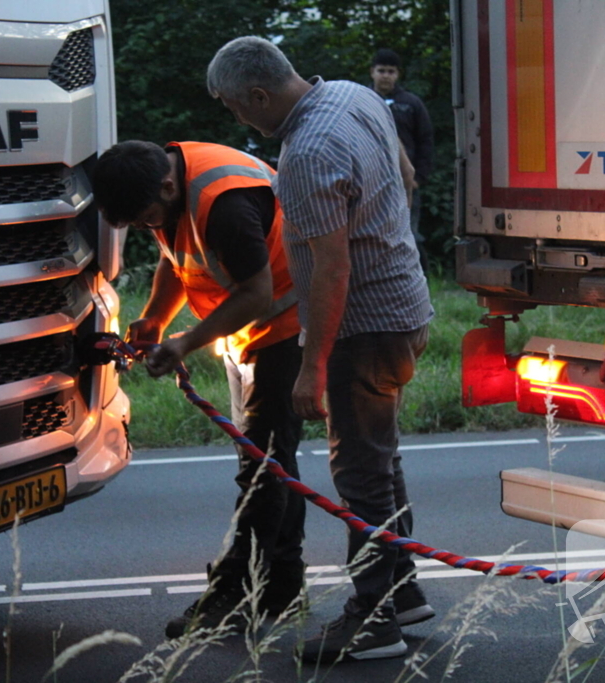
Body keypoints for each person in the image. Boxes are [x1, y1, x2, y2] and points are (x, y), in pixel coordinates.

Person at [207, 37, 436, 663]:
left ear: (258, 95)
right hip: (404, 306)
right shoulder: (353, 96)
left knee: (359, 474)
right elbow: (406, 175)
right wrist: (385, 238)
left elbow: (331, 269)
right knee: (380, 461)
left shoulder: (306, 153)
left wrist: (311, 366)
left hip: (363, 330)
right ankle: (403, 592)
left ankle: (374, 622)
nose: (237, 118)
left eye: (234, 106)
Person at [90, 140, 306, 638]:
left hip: (287, 326)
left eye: (146, 218)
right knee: (273, 462)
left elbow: (257, 293)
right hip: (247, 331)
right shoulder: (165, 186)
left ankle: (233, 595)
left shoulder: (226, 204)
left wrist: (186, 342)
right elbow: (176, 256)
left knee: (262, 467)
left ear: (167, 186)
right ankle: (282, 587)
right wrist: (156, 318)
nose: (148, 227)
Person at [370, 48, 434, 274]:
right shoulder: (363, 100)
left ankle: (420, 278)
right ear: (372, 72)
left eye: (391, 71)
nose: (386, 76)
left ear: (398, 74)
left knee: (409, 232)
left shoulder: (411, 104)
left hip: (405, 182)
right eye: (381, 71)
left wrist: (419, 178)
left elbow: (426, 140)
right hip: (371, 181)